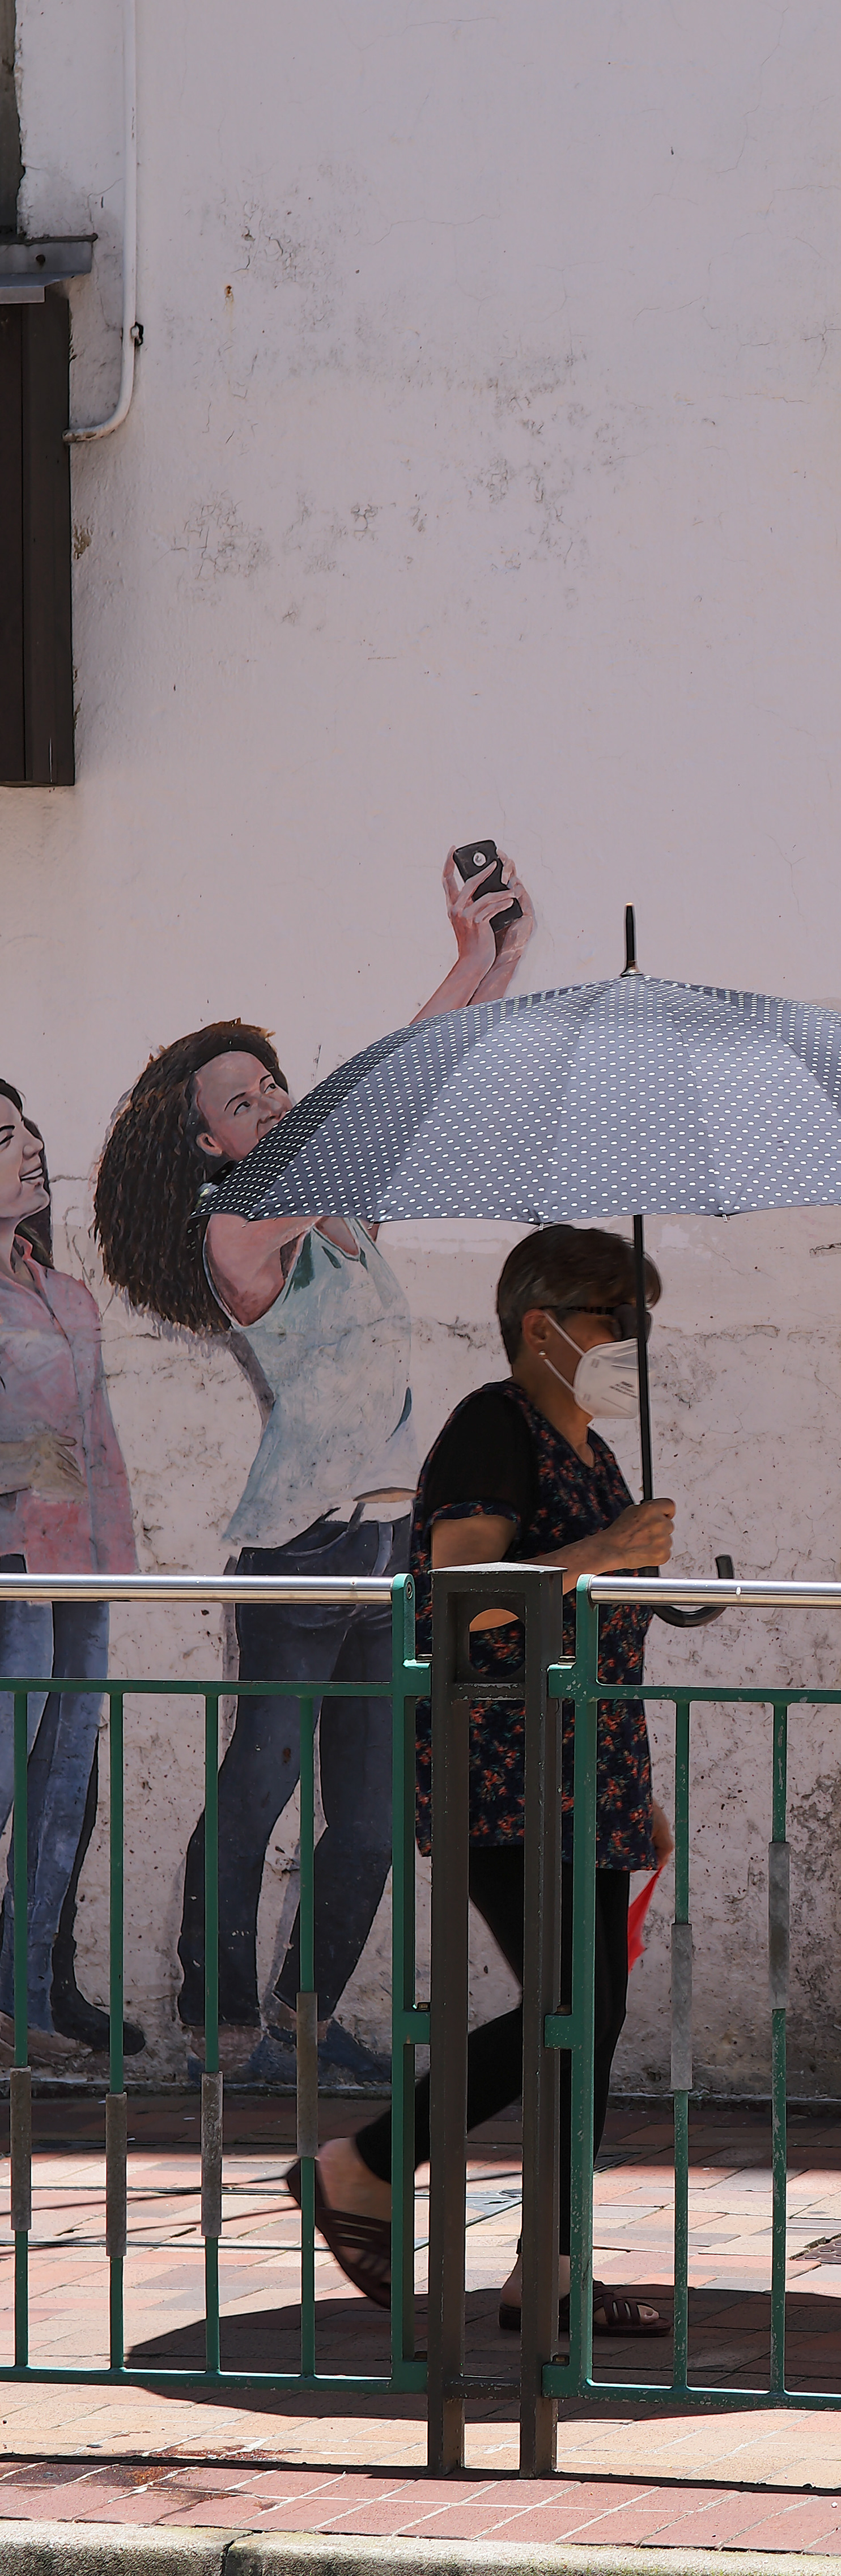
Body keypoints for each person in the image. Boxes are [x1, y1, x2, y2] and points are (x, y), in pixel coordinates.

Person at [91, 848, 538, 2082]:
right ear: (209, 1144)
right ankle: (220, 2014)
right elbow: (373, 1107)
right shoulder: (237, 1227)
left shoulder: (345, 1214)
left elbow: (416, 1093)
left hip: (386, 1542)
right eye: (244, 1103)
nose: (274, 1104)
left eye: (274, 1085)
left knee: (376, 1812)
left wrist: (497, 956)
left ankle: (304, 2018)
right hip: (295, 1546)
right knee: (262, 1784)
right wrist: (462, 962)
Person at [294, 1225, 675, 2336]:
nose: (632, 1344)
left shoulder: (592, 1452)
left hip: (586, 1771)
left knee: (586, 2014)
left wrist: (631, 1783)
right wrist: (603, 1551)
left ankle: (549, 2266)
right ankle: (363, 2163)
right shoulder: (489, 1427)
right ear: (541, 1327)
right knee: (572, 2003)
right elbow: (460, 1591)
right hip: (501, 1770)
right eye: (616, 1319)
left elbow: (589, 1628)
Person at [0, 1078, 137, 2069]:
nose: (32, 1148)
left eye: (28, 1130)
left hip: (79, 1567)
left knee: (61, 1797)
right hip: (9, 1568)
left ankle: (26, 2000)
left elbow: (98, 1440)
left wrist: (120, 1565)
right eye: (6, 1138)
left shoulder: (64, 1290)